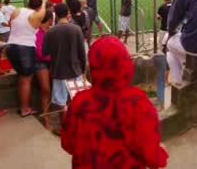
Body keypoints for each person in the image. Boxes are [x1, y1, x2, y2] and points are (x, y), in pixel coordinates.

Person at [61, 36, 168, 169]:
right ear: (125, 64)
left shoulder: (79, 101)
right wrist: (161, 155)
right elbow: (150, 155)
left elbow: (68, 144)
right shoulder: (138, 102)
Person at [42, 3, 86, 122]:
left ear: (55, 14)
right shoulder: (76, 29)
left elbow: (45, 51)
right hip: (75, 70)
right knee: (76, 100)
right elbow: (82, 53)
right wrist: (83, 70)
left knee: (62, 104)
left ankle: (65, 127)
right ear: (68, 13)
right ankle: (76, 125)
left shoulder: (51, 32)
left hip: (58, 71)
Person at [7, 0, 46, 117]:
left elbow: (10, 24)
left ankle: (23, 106)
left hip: (11, 47)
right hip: (25, 49)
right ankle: (25, 109)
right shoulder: (37, 15)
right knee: (26, 79)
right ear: (39, 6)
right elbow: (43, 9)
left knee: (21, 77)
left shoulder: (17, 10)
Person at [35, 9, 54, 129]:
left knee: (54, 89)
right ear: (50, 20)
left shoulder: (50, 31)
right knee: (46, 89)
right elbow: (39, 53)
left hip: (50, 62)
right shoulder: (37, 32)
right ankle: (46, 119)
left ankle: (52, 114)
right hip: (41, 63)